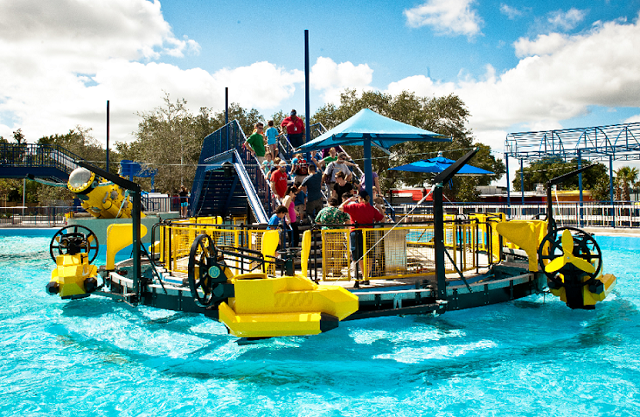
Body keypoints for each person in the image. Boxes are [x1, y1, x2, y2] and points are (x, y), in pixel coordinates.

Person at [340, 190, 384, 283]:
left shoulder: (354, 206)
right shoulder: (371, 209)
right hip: (368, 233)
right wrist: (380, 209)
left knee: (359, 255)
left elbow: (340, 208)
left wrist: (348, 200)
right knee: (369, 254)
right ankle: (367, 276)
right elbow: (382, 218)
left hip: (356, 232)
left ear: (359, 198)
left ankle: (363, 275)